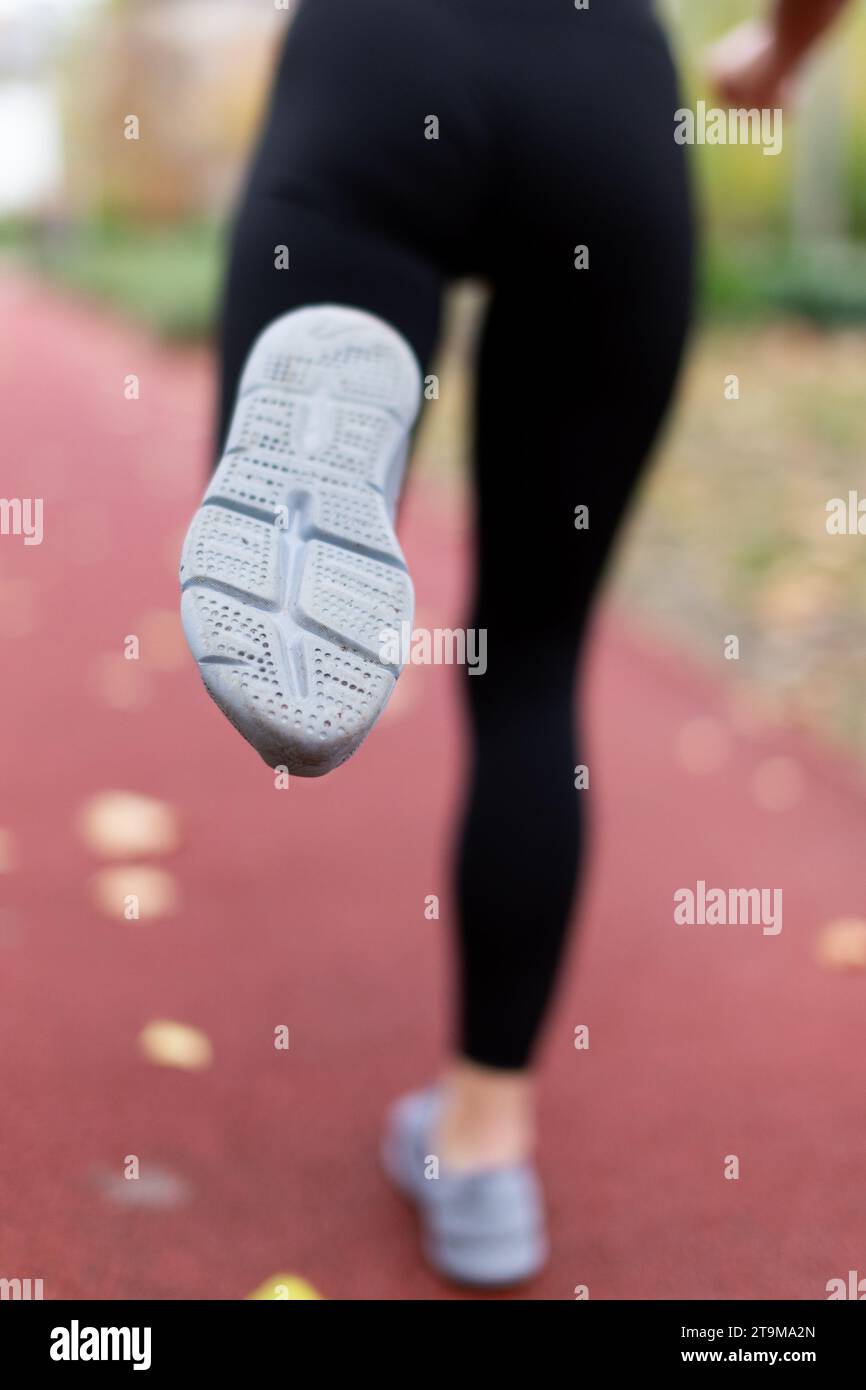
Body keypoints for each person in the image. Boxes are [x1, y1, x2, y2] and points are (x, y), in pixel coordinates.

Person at [179, 0, 851, 1287]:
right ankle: (485, 1145)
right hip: (603, 102)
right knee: (531, 664)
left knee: (298, 411)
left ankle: (336, 380)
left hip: (379, 67)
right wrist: (776, 52)